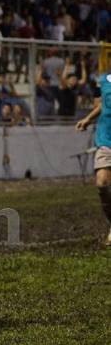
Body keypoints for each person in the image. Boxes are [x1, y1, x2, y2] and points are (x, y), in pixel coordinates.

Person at [75, 70, 111, 246]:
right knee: (102, 184)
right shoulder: (103, 80)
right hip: (106, 138)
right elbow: (103, 105)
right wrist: (88, 119)